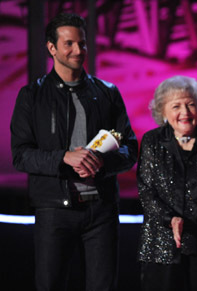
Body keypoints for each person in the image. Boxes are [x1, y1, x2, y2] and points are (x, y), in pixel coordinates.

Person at [10, 13, 138, 291]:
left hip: (101, 210)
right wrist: (63, 157)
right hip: (54, 211)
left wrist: (101, 162)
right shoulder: (31, 96)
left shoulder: (108, 92)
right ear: (51, 48)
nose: (78, 51)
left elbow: (130, 149)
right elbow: (20, 155)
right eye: (69, 44)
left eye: (82, 43)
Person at [137, 75, 197, 291]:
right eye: (176, 106)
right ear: (163, 110)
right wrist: (170, 219)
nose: (185, 112)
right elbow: (146, 191)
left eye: (191, 104)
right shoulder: (152, 141)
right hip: (161, 246)